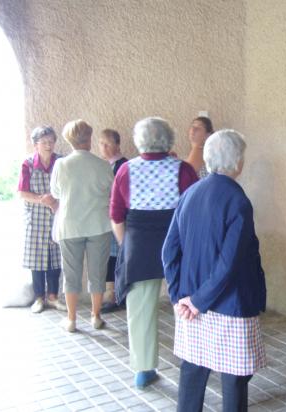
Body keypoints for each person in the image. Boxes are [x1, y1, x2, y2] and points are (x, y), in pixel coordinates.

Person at [163, 129, 267, 411]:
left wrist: (179, 297)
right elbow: (229, 263)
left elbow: (168, 251)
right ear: (237, 162)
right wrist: (196, 301)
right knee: (234, 380)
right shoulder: (238, 201)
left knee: (192, 372)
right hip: (230, 303)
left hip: (192, 302)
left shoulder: (189, 194)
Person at [110, 117, 197, 389]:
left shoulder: (126, 170)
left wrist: (127, 245)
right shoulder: (182, 169)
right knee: (185, 304)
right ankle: (191, 360)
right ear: (169, 139)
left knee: (140, 310)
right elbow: (193, 212)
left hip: (139, 245)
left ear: (139, 141)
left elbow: (116, 214)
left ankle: (144, 369)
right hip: (177, 244)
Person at [51, 120, 114, 333]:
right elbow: (111, 191)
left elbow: (56, 193)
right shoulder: (103, 165)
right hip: (98, 224)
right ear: (89, 137)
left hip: (70, 224)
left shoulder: (61, 165)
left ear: (69, 139)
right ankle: (96, 316)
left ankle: (71, 319)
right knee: (98, 272)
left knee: (71, 274)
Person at [18, 126, 66, 313]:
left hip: (57, 214)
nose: (48, 145)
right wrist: (41, 199)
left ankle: (53, 296)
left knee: (56, 258)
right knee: (36, 259)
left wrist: (56, 200)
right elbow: (22, 192)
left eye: (51, 142)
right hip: (36, 218)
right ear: (36, 144)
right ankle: (39, 298)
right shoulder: (28, 164)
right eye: (44, 142)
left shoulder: (61, 161)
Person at [98, 128, 128, 313]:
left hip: (120, 218)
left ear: (117, 145)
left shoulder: (123, 165)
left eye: (107, 144)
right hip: (105, 218)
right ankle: (110, 293)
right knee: (109, 256)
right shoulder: (102, 166)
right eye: (101, 143)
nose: (103, 147)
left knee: (118, 255)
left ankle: (118, 294)